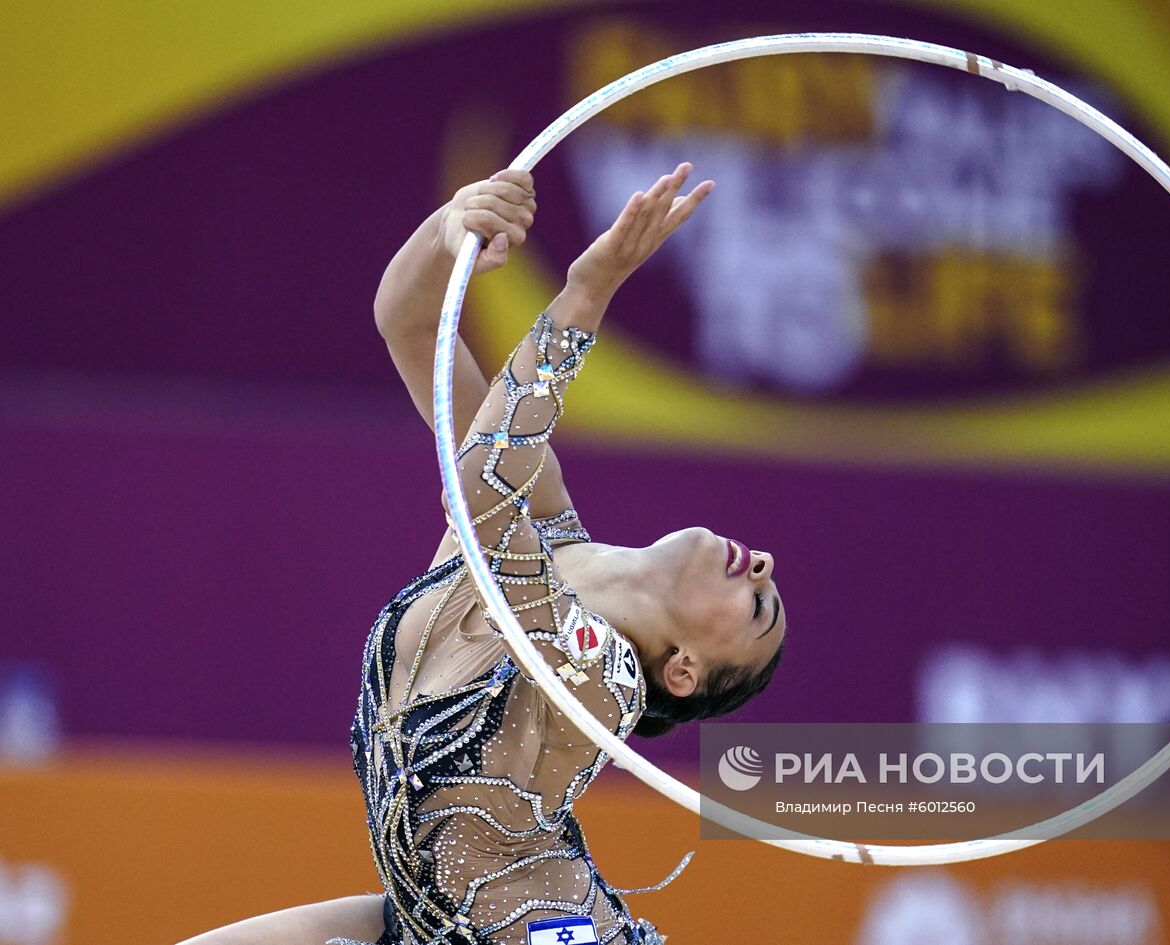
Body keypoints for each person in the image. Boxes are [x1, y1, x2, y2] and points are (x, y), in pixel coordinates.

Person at [180, 163, 786, 945]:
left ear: (683, 670)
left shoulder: (604, 681)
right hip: (424, 921)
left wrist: (585, 295)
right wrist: (448, 231)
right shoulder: (547, 524)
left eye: (760, 610)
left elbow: (482, 491)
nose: (765, 564)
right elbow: (408, 325)